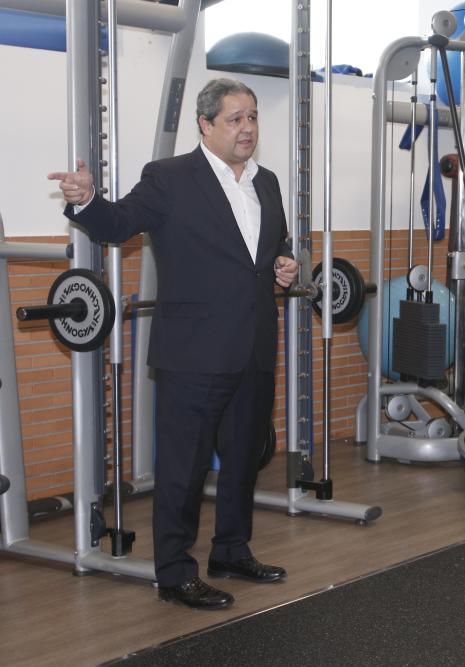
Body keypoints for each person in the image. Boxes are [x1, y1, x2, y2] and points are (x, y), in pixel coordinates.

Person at [48, 78, 297, 610]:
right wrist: (87, 199)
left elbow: (274, 243)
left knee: (242, 459)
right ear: (205, 126)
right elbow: (117, 225)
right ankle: (175, 571)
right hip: (194, 351)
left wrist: (284, 262)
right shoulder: (169, 178)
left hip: (253, 345)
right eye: (235, 118)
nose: (248, 127)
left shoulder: (268, 182)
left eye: (252, 116)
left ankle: (231, 549)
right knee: (182, 469)